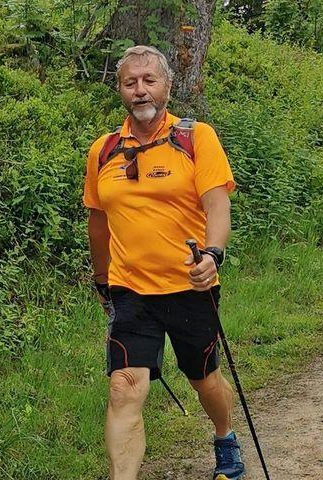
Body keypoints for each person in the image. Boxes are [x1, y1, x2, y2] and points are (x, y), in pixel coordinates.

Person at [83, 45, 245, 480]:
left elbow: (217, 205)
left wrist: (213, 255)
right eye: (130, 82)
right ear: (120, 90)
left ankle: (225, 436)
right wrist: (102, 279)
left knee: (203, 379)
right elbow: (98, 223)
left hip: (189, 285)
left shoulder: (196, 138)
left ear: (168, 86)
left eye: (149, 80)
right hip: (129, 290)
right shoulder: (103, 150)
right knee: (124, 388)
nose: (140, 90)